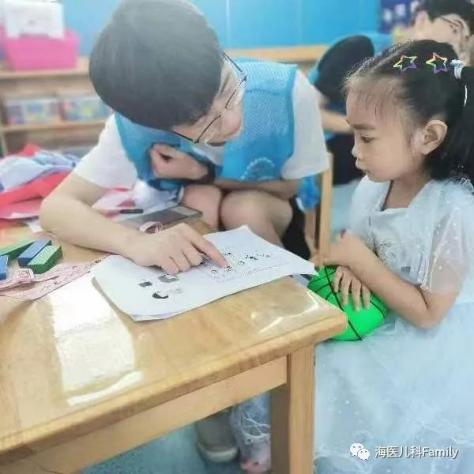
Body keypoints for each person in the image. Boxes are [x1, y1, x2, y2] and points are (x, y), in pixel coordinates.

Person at [230, 39, 474, 473]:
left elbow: (429, 313)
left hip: (425, 338)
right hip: (376, 305)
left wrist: (362, 264)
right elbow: (360, 246)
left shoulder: (453, 209)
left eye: (367, 137)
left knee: (339, 368)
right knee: (294, 339)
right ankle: (290, 439)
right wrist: (351, 266)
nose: (354, 150)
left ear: (429, 136)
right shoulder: (374, 185)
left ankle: (310, 447)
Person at [40, 0, 328, 273]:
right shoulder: (136, 126)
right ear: (156, 126)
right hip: (195, 209)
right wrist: (134, 243)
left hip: (270, 207)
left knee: (242, 208)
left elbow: (290, 187)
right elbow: (56, 208)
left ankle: (284, 286)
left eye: (227, 87)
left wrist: (201, 173)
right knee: (200, 201)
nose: (231, 121)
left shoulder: (285, 93)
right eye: (200, 120)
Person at [310, 0, 474, 185]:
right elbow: (309, 112)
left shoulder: (435, 71)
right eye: (455, 28)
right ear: (422, 20)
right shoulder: (359, 47)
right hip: (328, 157)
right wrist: (367, 129)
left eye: (467, 38)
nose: (460, 41)